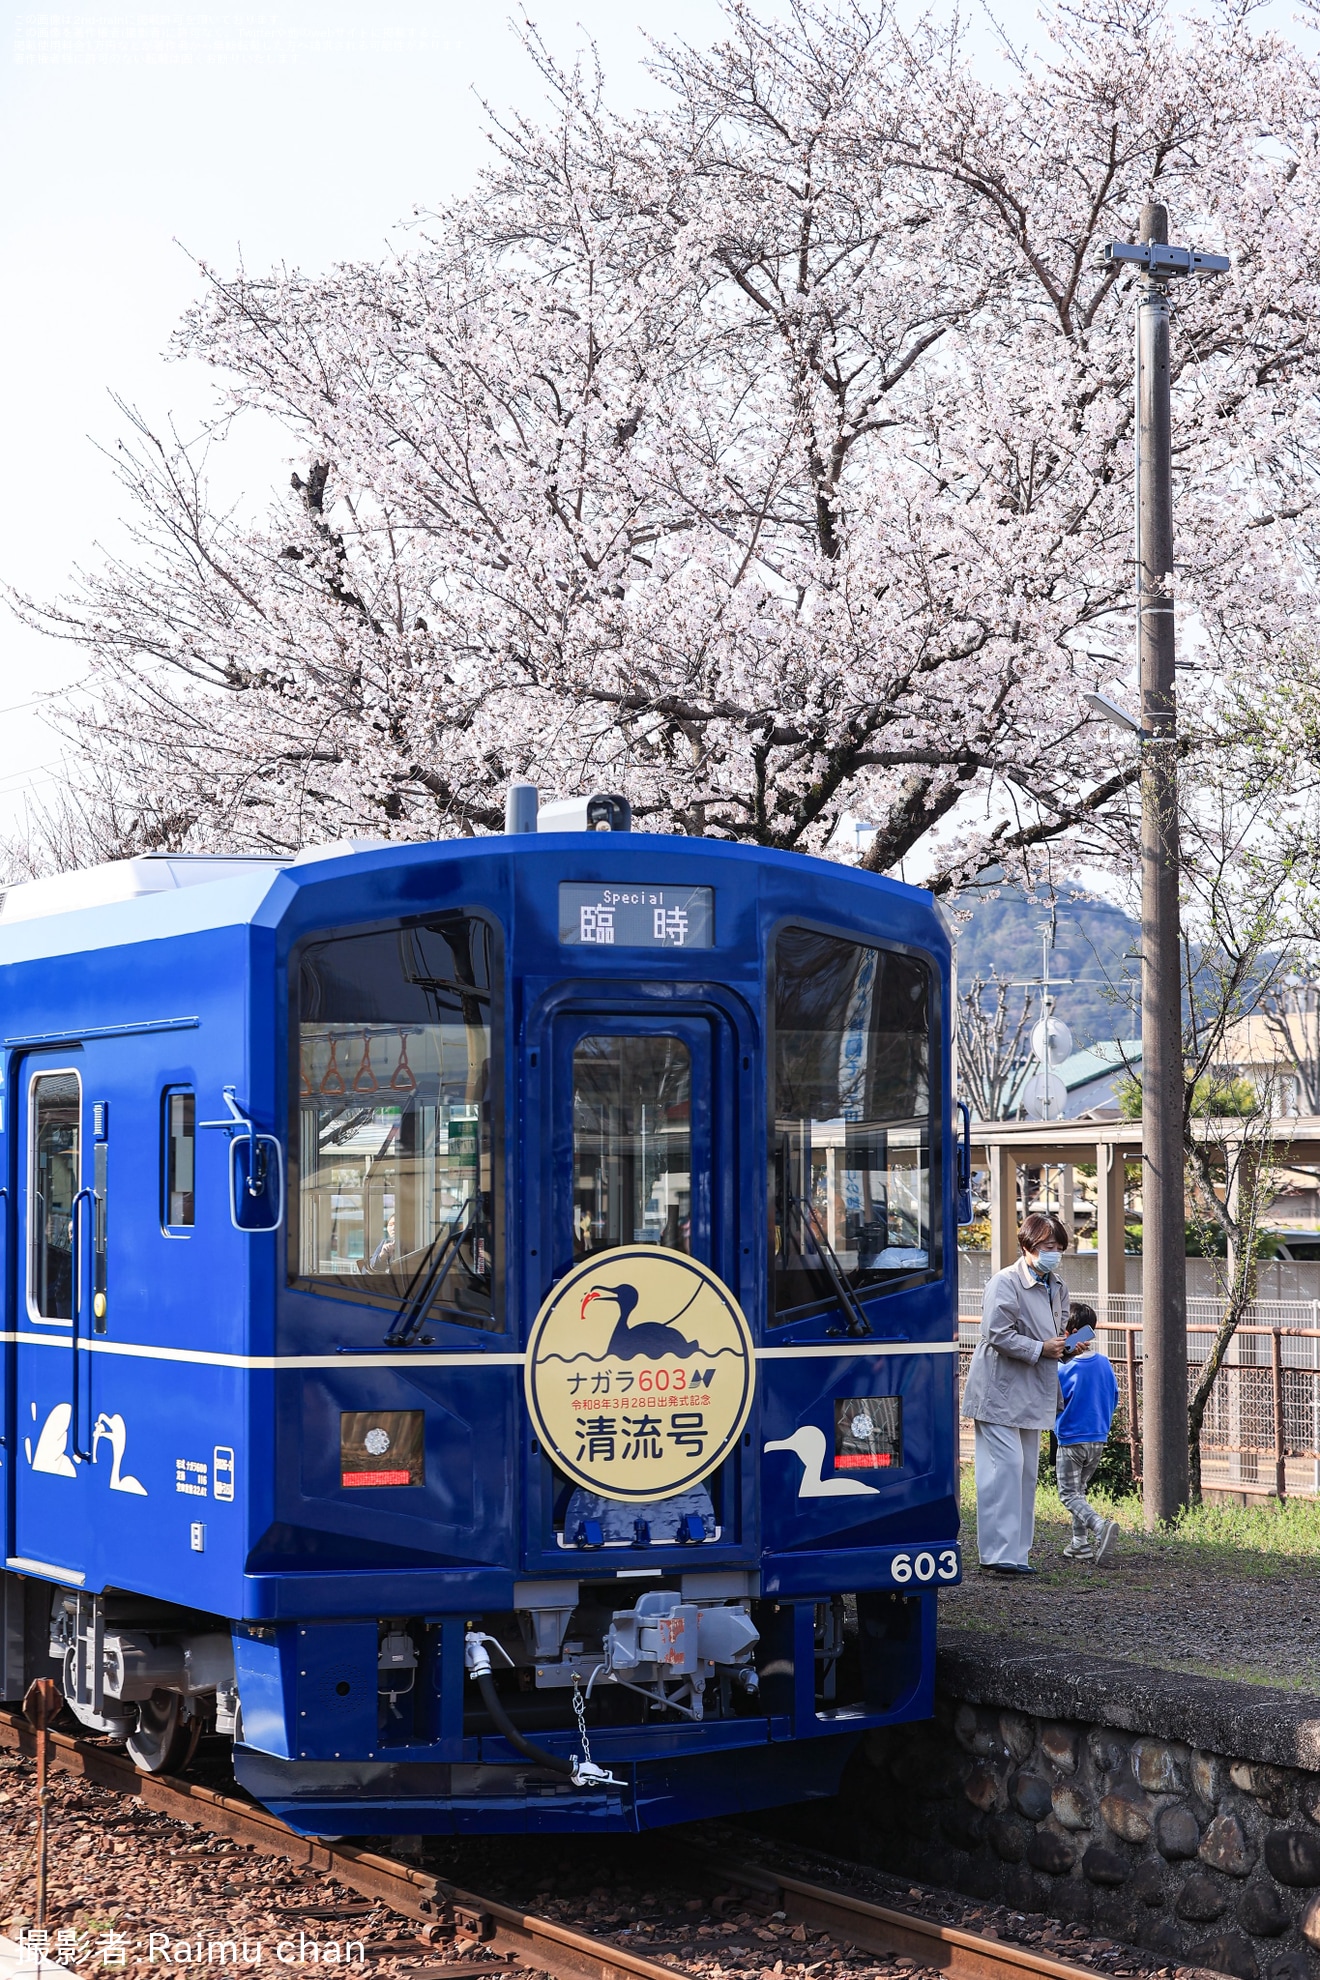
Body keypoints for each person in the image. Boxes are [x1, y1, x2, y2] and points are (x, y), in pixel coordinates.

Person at [961, 1211, 1070, 1577]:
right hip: (999, 1389)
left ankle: (1017, 1554)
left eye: (1058, 1247)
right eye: (1047, 1246)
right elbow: (996, 1332)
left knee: (1025, 1472)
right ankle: (997, 1553)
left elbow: (1058, 1330)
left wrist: (1067, 1346)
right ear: (1027, 1246)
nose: (1054, 1253)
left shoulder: (1058, 1286)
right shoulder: (1005, 1282)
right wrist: (1042, 1348)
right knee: (1003, 1468)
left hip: (1032, 1389)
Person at [1054, 1302, 1120, 1565]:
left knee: (1068, 1494)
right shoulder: (1104, 1363)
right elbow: (1114, 1397)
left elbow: (1055, 1401)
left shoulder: (1064, 1368)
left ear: (1068, 1333)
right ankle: (1079, 1545)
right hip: (1098, 1438)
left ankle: (1099, 1526)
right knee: (1079, 1491)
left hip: (1071, 1439)